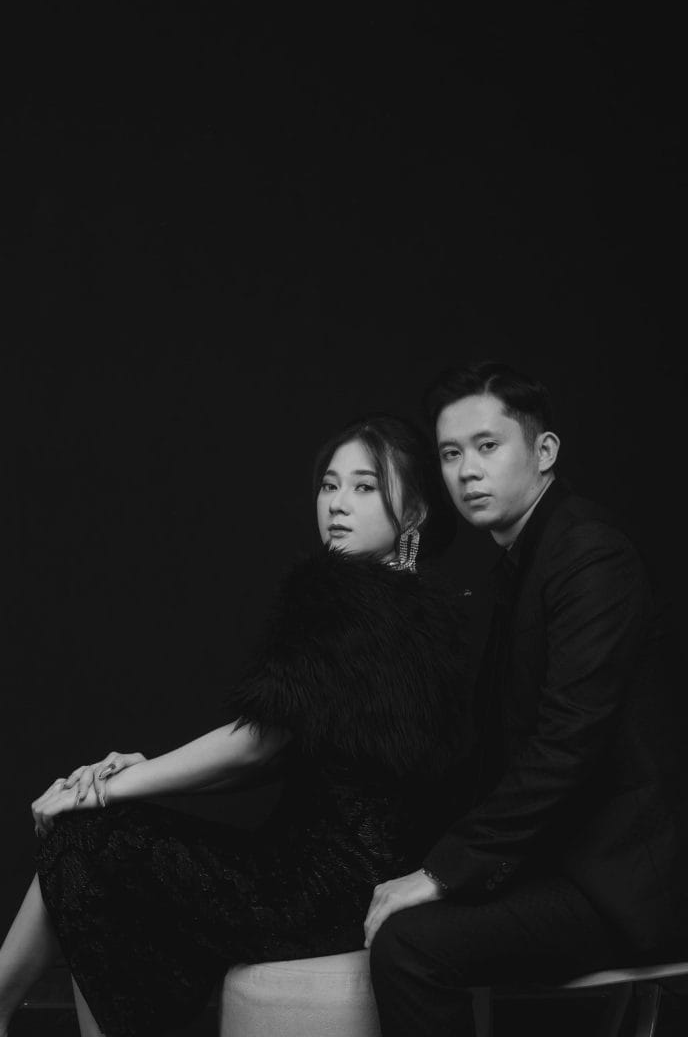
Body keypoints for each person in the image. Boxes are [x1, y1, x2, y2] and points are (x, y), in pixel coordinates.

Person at [0, 413, 465, 1037]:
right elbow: (281, 750)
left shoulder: (340, 601)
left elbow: (257, 746)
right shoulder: (423, 612)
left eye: (364, 486)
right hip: (358, 884)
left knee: (84, 837)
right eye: (329, 485)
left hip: (316, 891)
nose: (337, 504)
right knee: (91, 840)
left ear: (415, 512)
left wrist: (105, 790)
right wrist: (141, 775)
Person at [366, 362, 688, 1037]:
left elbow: (566, 746)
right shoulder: (528, 558)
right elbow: (495, 741)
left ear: (544, 451)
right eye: (451, 454)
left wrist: (444, 872)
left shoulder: (589, 557)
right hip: (578, 859)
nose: (467, 471)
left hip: (633, 884)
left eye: (488, 446)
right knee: (391, 890)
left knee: (412, 946)